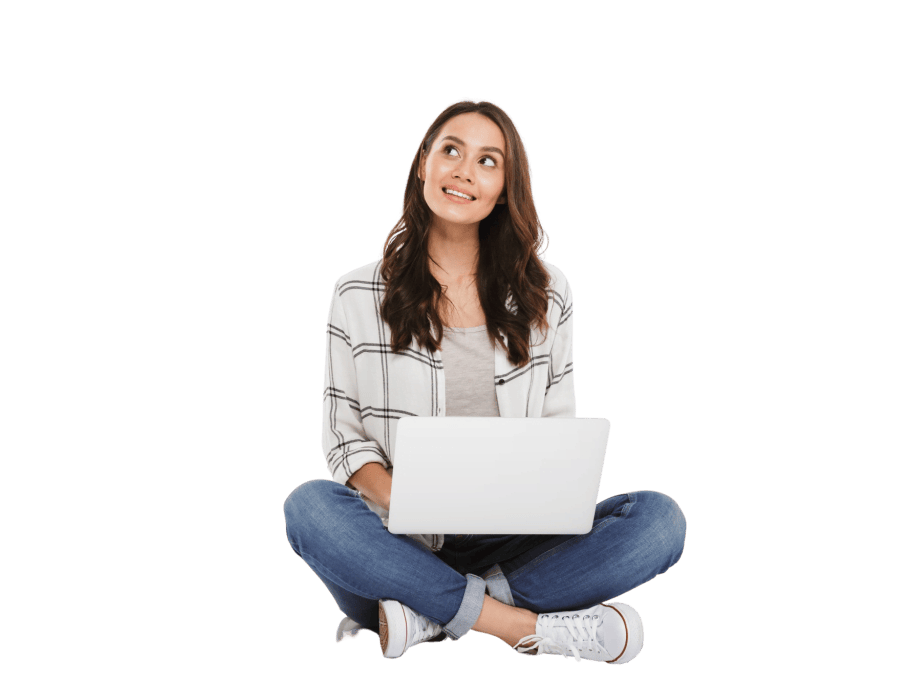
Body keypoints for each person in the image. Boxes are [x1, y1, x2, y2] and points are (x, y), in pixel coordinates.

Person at [284, 98, 686, 664]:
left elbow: (557, 433)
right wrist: (411, 504)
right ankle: (518, 623)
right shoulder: (357, 293)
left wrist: (544, 500)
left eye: (488, 161)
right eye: (451, 150)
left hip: (520, 542)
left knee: (659, 521)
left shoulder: (548, 292)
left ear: (505, 187)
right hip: (399, 544)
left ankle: (428, 616)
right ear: (424, 162)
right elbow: (343, 440)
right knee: (309, 509)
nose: (464, 171)